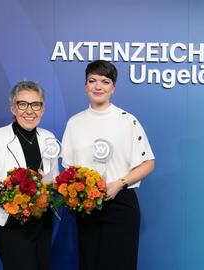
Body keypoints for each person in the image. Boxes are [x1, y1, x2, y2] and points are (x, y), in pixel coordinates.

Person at [61, 60, 155, 270]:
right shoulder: (75, 123)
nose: (98, 86)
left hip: (121, 203)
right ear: (85, 85)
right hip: (87, 206)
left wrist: (119, 183)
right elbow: (69, 169)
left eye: (105, 81)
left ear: (113, 88)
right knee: (90, 263)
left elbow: (148, 163)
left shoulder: (127, 120)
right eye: (92, 80)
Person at [0, 80, 58, 270]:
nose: (29, 111)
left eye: (36, 105)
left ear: (43, 109)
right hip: (12, 221)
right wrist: (10, 196)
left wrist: (51, 185)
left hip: (43, 220)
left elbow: (53, 178)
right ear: (13, 108)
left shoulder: (49, 137)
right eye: (22, 104)